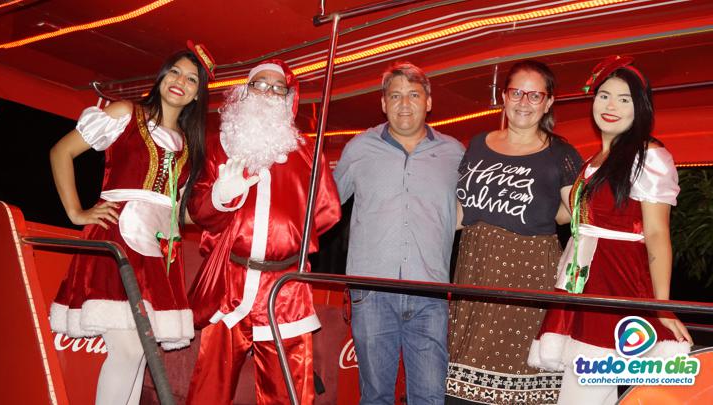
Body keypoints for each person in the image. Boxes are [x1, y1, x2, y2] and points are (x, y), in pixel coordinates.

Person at [49, 41, 213, 405]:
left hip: (157, 254)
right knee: (126, 350)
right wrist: (76, 212)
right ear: (161, 77)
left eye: (190, 79)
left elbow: (177, 211)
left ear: (197, 95)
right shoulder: (127, 113)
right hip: (116, 240)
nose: (180, 82)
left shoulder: (189, 146)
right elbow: (61, 151)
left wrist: (222, 204)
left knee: (141, 355)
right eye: (175, 72)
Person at [528, 55, 692, 405]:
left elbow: (658, 235)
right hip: (583, 282)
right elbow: (570, 217)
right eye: (604, 95)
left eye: (624, 98)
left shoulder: (649, 156)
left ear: (640, 107)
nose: (611, 105)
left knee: (581, 394)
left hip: (616, 286)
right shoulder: (594, 160)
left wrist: (662, 306)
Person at [185, 59, 341, 405]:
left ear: (289, 98)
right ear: (245, 91)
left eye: (277, 88)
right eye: (259, 85)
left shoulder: (306, 154)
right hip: (230, 283)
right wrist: (219, 198)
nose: (268, 93)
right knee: (209, 390)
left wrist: (287, 237)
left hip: (285, 290)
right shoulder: (218, 145)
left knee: (288, 393)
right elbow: (197, 210)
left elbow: (327, 212)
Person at [446, 60, 583, 405]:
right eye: (516, 92)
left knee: (519, 372)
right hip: (474, 268)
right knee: (462, 368)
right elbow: (460, 211)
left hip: (527, 274)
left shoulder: (560, 153)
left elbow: (577, 214)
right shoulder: (478, 143)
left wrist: (546, 216)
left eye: (534, 95)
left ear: (549, 103)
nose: (524, 102)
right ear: (503, 98)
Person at [334, 61, 464, 404]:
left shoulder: (455, 153)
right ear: (383, 103)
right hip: (372, 290)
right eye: (395, 96)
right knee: (376, 395)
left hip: (430, 292)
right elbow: (323, 205)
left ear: (429, 102)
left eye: (413, 94)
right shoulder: (359, 149)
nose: (404, 104)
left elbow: (474, 212)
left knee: (430, 396)